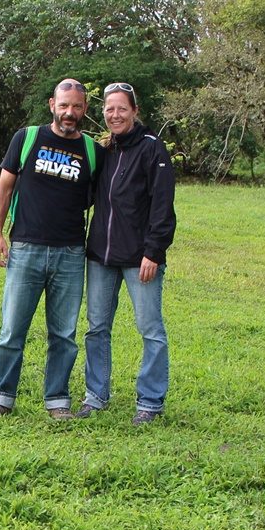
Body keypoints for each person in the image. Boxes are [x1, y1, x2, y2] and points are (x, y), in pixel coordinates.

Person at [0, 79, 104, 420]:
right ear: (52, 104)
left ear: (85, 109)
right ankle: (0, 396)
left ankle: (57, 400)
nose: (69, 113)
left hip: (71, 254)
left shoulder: (93, 152)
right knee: (12, 329)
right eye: (64, 105)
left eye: (77, 107)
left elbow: (107, 198)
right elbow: (4, 188)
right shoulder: (27, 138)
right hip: (26, 248)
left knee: (64, 334)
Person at [75, 82, 176, 425]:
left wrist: (154, 251)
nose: (114, 114)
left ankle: (150, 402)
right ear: (102, 112)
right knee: (96, 327)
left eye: (121, 108)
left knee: (150, 329)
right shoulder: (105, 151)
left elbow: (163, 207)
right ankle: (96, 395)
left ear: (134, 111)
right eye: (109, 109)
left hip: (140, 259)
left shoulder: (152, 150)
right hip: (101, 256)